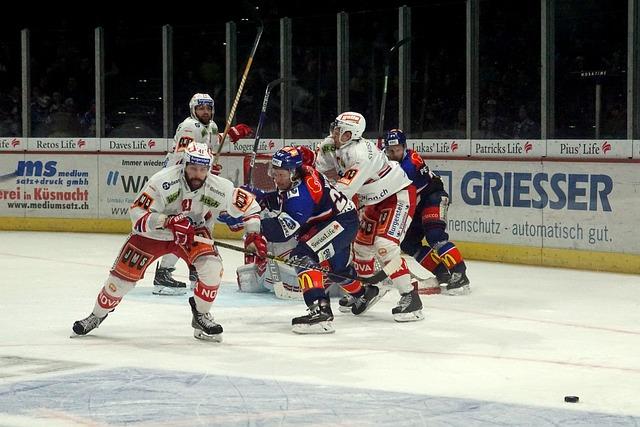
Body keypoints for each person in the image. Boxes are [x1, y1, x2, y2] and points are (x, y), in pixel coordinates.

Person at [71, 141, 261, 342]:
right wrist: (167, 221)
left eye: (203, 169)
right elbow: (137, 212)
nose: (198, 173)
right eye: (193, 168)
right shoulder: (162, 181)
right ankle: (96, 315)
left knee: (212, 269)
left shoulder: (218, 186)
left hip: (192, 233)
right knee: (120, 282)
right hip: (153, 235)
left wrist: (252, 236)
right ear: (184, 164)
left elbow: (251, 206)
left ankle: (201, 315)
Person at [315, 112, 424, 322]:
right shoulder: (330, 144)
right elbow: (319, 171)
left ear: (351, 134)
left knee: (385, 245)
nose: (335, 134)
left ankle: (410, 297)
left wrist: (316, 208)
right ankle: (368, 290)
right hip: (373, 200)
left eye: (341, 131)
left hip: (396, 195)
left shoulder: (360, 155)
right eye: (335, 129)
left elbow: (342, 193)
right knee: (362, 247)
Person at [240, 146, 359, 334]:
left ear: (293, 173)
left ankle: (319, 310)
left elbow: (282, 231)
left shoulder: (302, 195)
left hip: (340, 222)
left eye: (280, 175)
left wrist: (251, 224)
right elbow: (282, 198)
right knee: (337, 270)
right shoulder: (300, 176)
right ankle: (362, 294)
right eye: (275, 174)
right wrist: (261, 197)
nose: (276, 179)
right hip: (337, 219)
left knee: (302, 256)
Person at [153, 93, 253, 296]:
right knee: (185, 226)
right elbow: (181, 158)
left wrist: (231, 134)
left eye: (208, 108)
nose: (205, 112)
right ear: (193, 110)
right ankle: (163, 274)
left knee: (204, 224)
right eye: (201, 108)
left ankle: (194, 270)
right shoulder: (189, 127)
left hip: (197, 182)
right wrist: (200, 169)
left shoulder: (213, 126)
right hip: (180, 182)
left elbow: (213, 146)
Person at [383, 129, 470, 295]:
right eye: (390, 151)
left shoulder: (410, 163)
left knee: (435, 236)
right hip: (417, 205)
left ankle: (459, 273)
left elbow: (396, 189)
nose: (394, 154)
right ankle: (441, 272)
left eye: (398, 150)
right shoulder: (388, 158)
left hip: (433, 197)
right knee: (408, 243)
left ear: (404, 147)